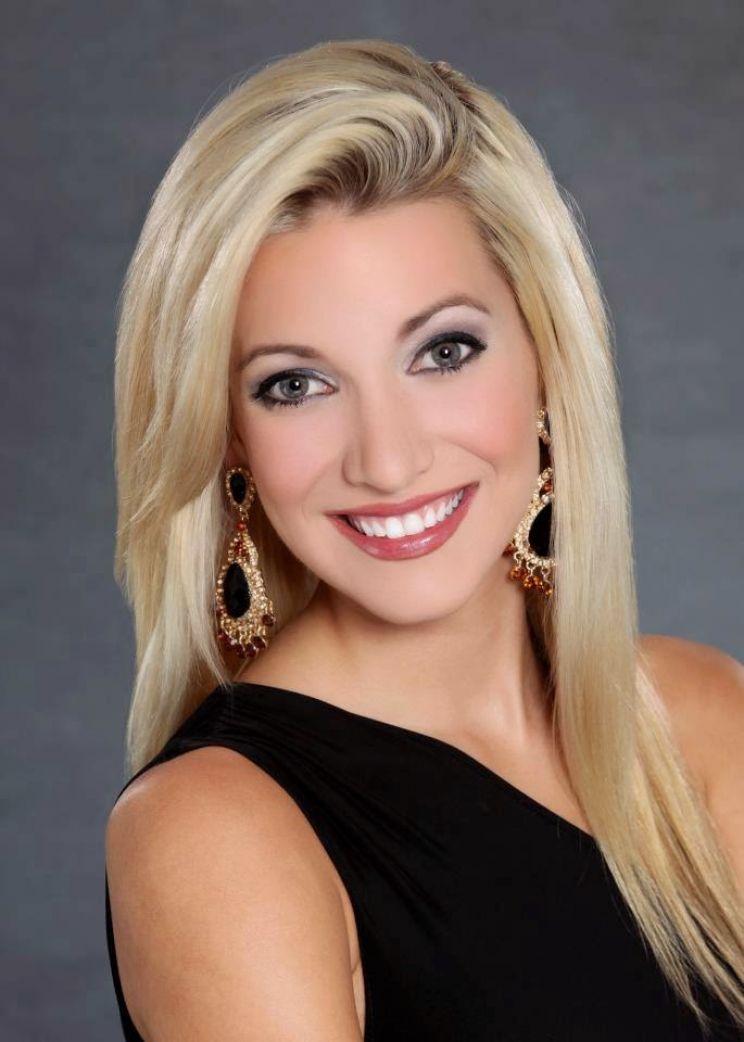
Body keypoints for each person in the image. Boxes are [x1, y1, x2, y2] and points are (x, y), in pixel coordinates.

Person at [104, 38, 744, 1041]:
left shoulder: (699, 720)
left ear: (547, 360)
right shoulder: (213, 829)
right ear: (228, 434)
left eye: (444, 351)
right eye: (296, 384)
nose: (389, 460)